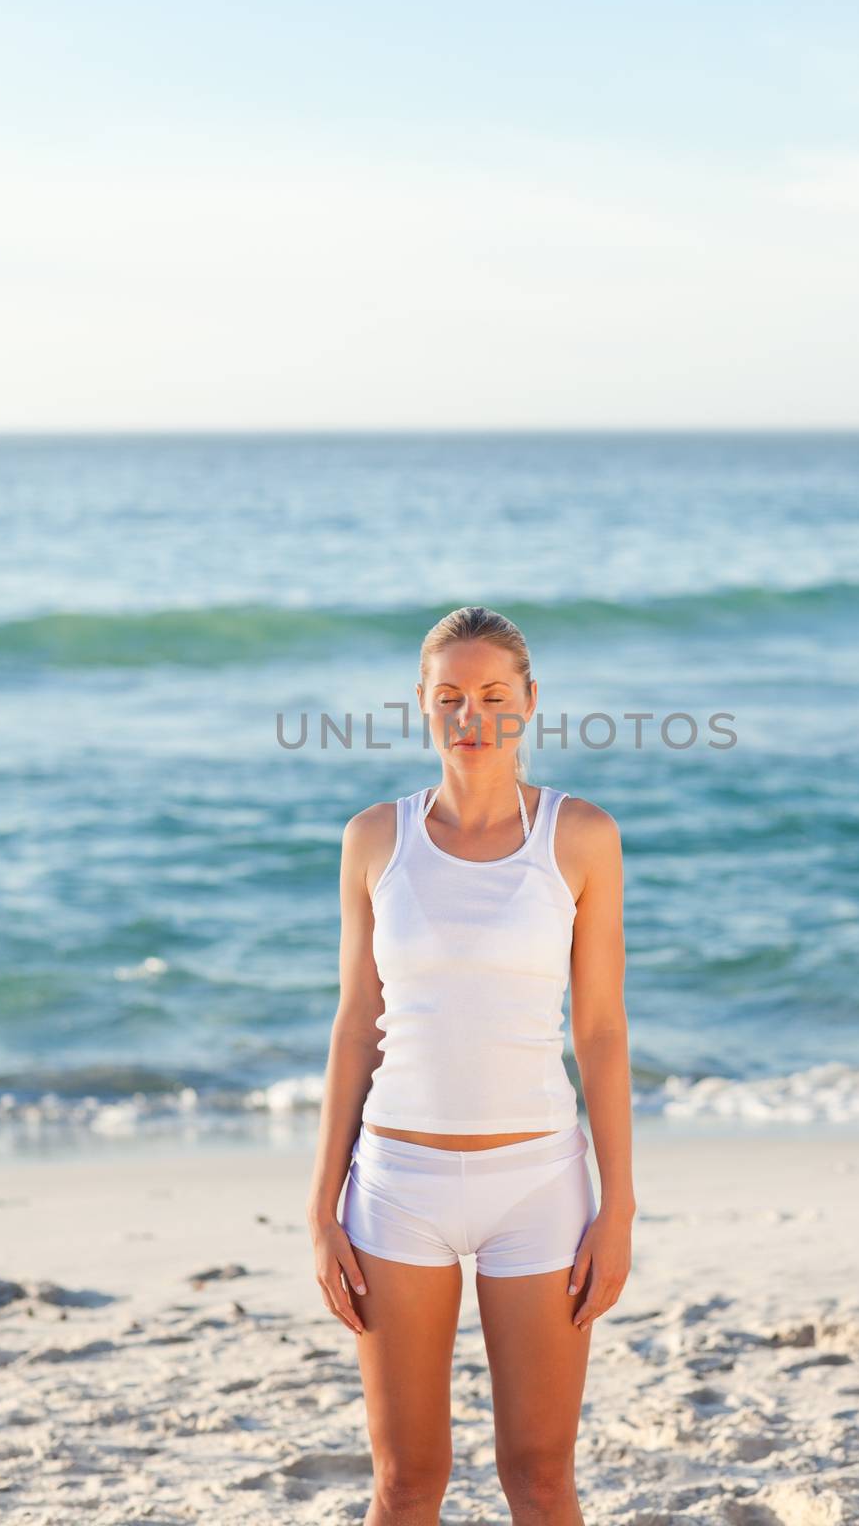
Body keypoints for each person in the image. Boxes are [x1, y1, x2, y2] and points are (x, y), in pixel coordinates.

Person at [306, 605, 634, 1526]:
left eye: (493, 694)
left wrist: (619, 1206)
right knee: (407, 1483)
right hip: (395, 1188)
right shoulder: (374, 838)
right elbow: (355, 1023)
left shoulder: (579, 837)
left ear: (530, 703)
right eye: (448, 696)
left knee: (537, 1478)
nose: (470, 715)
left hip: (538, 1188)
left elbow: (601, 1031)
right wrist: (320, 1205)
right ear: (420, 704)